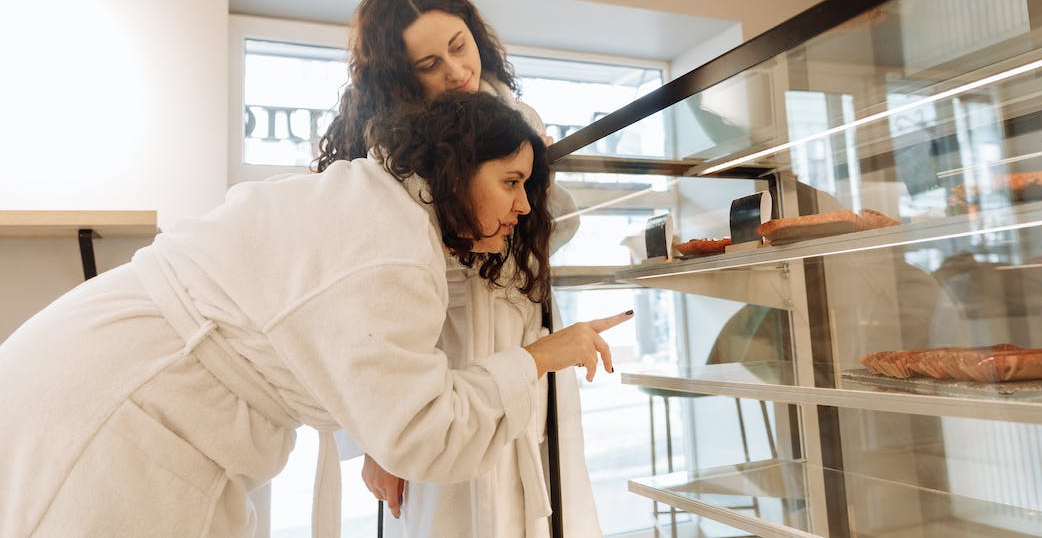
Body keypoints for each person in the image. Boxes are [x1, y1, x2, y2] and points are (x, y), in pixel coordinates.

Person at [0, 92, 629, 538]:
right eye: (512, 182)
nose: (522, 207)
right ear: (460, 166)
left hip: (98, 373)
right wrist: (541, 356)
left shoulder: (367, 198)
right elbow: (427, 436)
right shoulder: (392, 251)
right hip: (120, 411)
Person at [316, 0, 600, 537]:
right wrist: (379, 438)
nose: (456, 71)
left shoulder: (523, 122)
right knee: (443, 512)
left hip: (523, 343)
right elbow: (362, 304)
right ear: (399, 76)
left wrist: (536, 186)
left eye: (459, 45)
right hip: (437, 355)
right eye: (428, 65)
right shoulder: (384, 152)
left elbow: (543, 237)